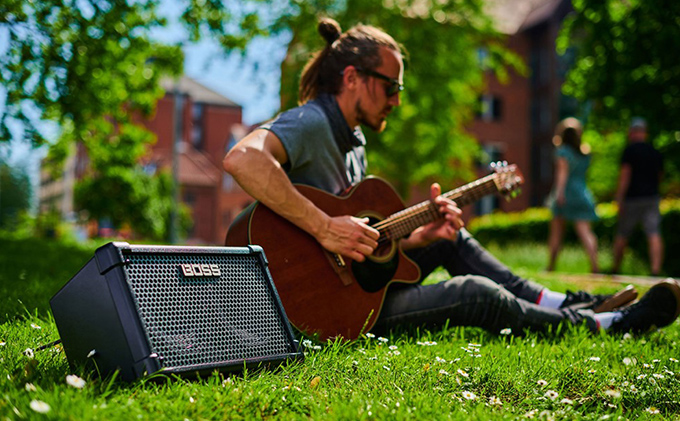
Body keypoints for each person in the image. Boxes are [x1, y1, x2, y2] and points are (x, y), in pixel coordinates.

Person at [223, 18, 680, 336]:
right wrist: (325, 227)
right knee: (474, 293)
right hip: (320, 309)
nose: (396, 101)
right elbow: (243, 159)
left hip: (353, 289)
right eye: (391, 87)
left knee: (448, 238)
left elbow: (361, 246)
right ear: (352, 78)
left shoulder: (353, 141)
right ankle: (607, 325)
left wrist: (416, 238)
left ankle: (558, 303)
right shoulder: (311, 122)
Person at [611, 118, 664, 276]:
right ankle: (655, 270)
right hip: (652, 197)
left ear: (632, 132)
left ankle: (616, 268)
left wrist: (619, 198)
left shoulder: (630, 151)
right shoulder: (655, 152)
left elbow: (625, 176)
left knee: (622, 234)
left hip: (632, 199)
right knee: (654, 233)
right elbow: (660, 176)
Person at [547, 118, 599, 273]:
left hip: (567, 193)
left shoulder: (562, 152)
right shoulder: (585, 153)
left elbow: (562, 174)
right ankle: (595, 266)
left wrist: (559, 194)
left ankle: (551, 266)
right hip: (582, 193)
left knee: (556, 231)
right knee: (585, 232)